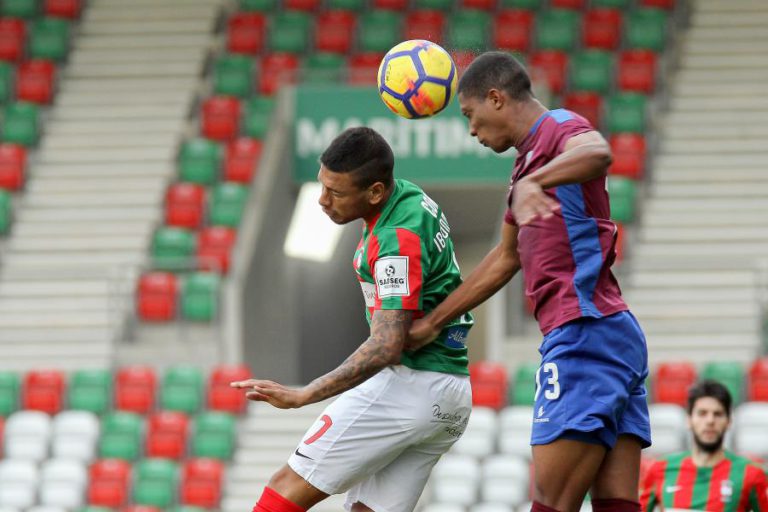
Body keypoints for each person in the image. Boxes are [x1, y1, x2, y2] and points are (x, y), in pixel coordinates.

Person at [407, 51, 651, 512]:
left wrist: (534, 181)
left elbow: (598, 153)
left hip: (583, 332)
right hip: (611, 332)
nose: (472, 130)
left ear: (496, 98)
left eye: (470, 115)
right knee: (617, 505)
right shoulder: (523, 171)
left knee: (549, 502)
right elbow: (505, 258)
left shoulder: (559, 128)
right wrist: (434, 322)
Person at [231, 126, 474, 512]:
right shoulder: (407, 196)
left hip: (409, 384)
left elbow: (388, 345)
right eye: (322, 186)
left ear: (375, 191)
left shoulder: (395, 236)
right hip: (451, 393)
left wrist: (304, 394)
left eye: (336, 192)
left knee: (284, 489)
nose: (323, 201)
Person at [640, 380, 768, 511]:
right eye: (702, 413)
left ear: (729, 421)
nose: (710, 421)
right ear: (689, 419)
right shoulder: (660, 469)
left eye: (718, 414)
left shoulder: (751, 473)